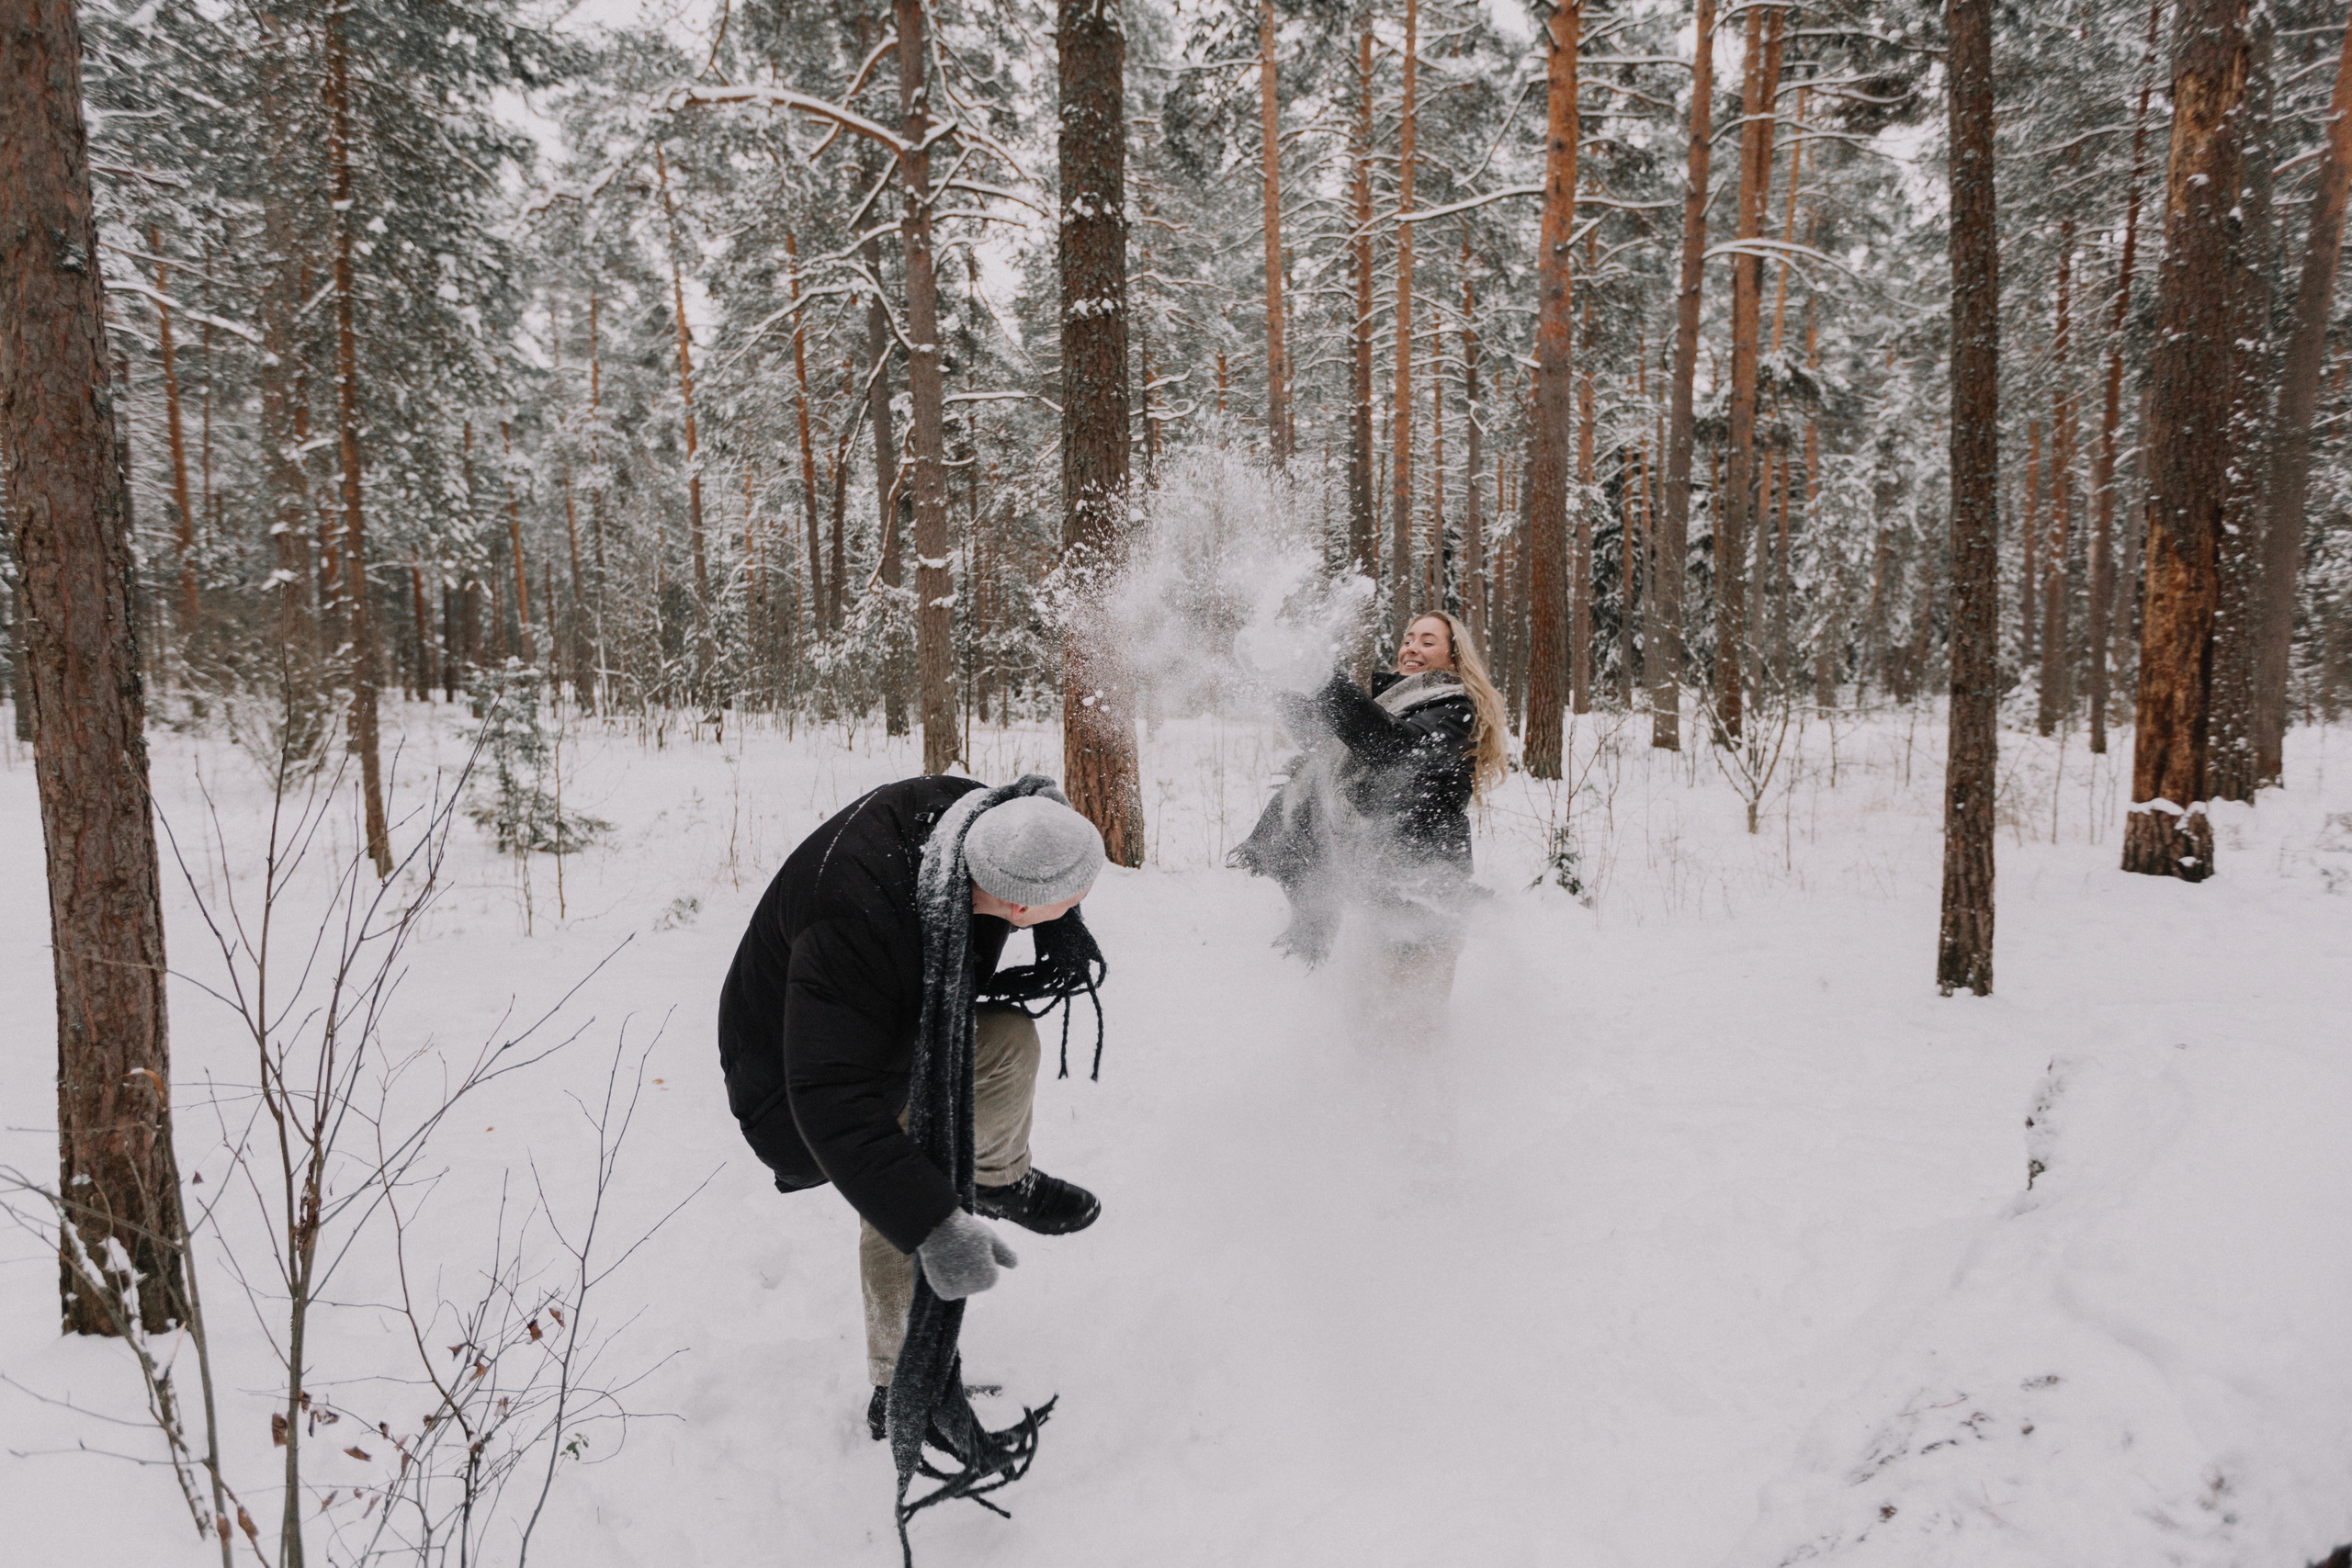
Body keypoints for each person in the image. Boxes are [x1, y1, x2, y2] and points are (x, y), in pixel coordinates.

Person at [717, 774, 1107, 1443]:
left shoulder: (977, 822)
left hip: (884, 1025)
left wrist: (1061, 919)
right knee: (912, 1163)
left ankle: (996, 1180)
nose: (1077, 910)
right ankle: (904, 1383)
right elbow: (836, 1101)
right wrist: (933, 1222)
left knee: (1008, 1042)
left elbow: (1041, 832)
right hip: (791, 1087)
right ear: (1017, 906)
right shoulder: (859, 925)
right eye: (1069, 903)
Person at [1232, 609, 1508, 1004]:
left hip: (1423, 894)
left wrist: (1326, 683)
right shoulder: (1391, 701)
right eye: (1409, 638)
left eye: (1428, 641)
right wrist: (1281, 680)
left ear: (1454, 657)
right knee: (1367, 1019)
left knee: (1408, 1027)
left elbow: (1396, 750)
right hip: (1372, 886)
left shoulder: (1455, 710)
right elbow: (1321, 741)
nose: (1412, 647)